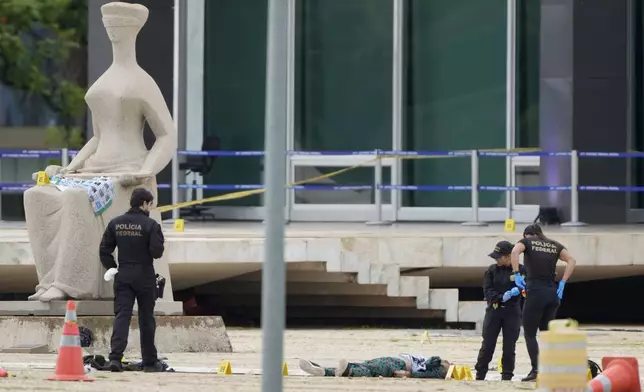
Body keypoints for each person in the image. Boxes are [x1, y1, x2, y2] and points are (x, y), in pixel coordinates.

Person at [99, 188, 166, 373]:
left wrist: (112, 267)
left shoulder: (116, 223)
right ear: (144, 203)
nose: (150, 208)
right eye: (150, 204)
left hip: (124, 274)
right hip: (144, 275)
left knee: (122, 316)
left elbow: (104, 249)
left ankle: (115, 359)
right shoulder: (151, 225)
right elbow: (157, 252)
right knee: (146, 319)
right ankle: (150, 363)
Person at [510, 224, 577, 382]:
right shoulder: (554, 244)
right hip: (553, 294)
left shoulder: (527, 242)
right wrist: (563, 282)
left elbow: (514, 251)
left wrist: (516, 273)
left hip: (536, 293)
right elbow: (572, 261)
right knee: (547, 334)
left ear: (528, 235)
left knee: (530, 333)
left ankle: (537, 370)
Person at [474, 241, 526, 381]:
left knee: (509, 347)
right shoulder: (491, 270)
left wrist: (519, 290)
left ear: (509, 256)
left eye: (499, 257)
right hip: (494, 311)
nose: (496, 260)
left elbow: (526, 288)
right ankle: (480, 374)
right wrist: (501, 297)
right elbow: (487, 291)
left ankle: (507, 376)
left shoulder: (520, 271)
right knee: (487, 344)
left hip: (512, 312)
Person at [299, 354, 450, 379]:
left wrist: (403, 374)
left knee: (371, 369)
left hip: (397, 366)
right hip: (396, 362)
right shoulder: (436, 367)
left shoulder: (437, 371)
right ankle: (325, 371)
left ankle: (348, 370)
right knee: (368, 366)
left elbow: (417, 374)